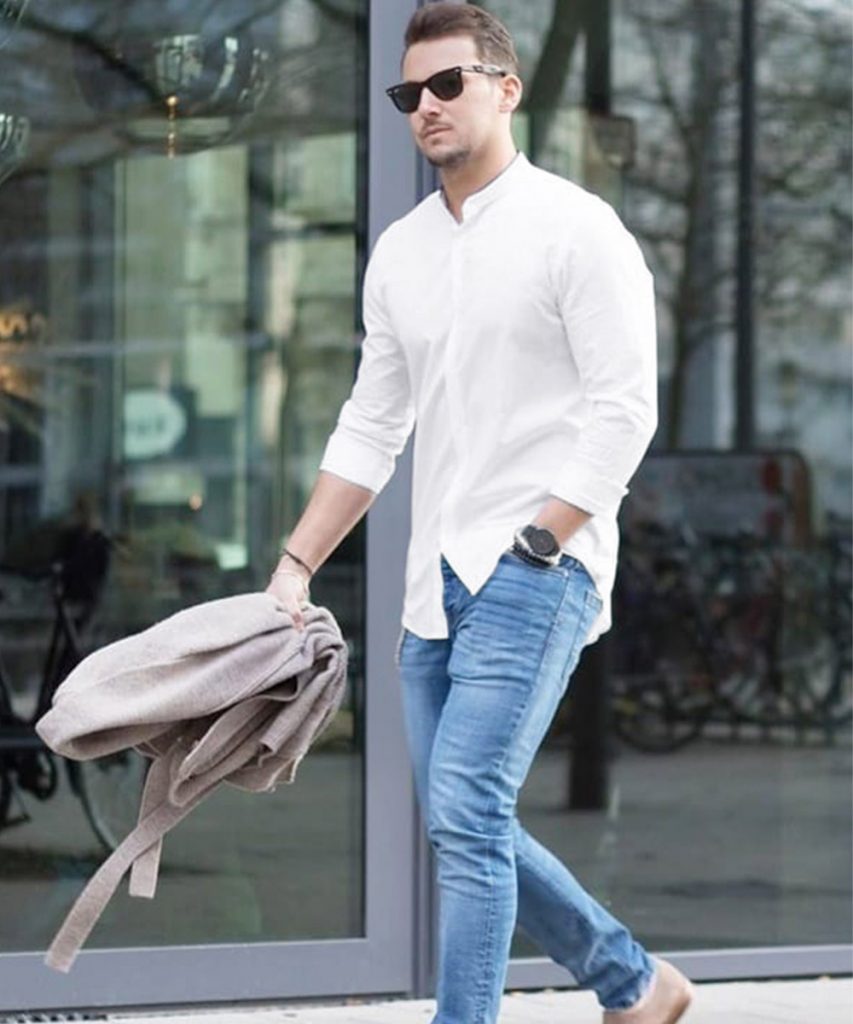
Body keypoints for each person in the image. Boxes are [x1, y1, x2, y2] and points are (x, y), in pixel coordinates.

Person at [266, 4, 694, 1023]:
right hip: (429, 588)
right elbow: (371, 427)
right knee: (464, 815)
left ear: (506, 87)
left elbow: (623, 408)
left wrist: (547, 536)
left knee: (464, 808)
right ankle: (633, 981)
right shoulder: (401, 253)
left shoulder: (576, 227)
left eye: (446, 84)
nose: (424, 108)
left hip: (534, 566)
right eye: (407, 94)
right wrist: (294, 564)